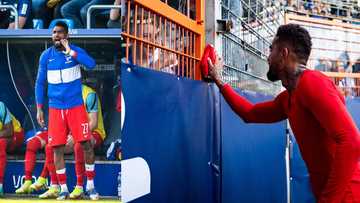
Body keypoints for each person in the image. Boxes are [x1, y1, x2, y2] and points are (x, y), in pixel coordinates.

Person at [207, 24, 360, 202]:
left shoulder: (313, 83)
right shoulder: (289, 98)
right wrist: (219, 80)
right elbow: (249, 113)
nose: (267, 56)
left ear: (284, 53)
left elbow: (351, 141)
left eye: (271, 50)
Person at [35, 21, 99, 200]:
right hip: (55, 109)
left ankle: (91, 186)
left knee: (86, 145)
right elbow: (40, 83)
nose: (56, 35)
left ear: (67, 35)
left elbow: (91, 64)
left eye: (60, 32)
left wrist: (70, 50)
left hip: (76, 107)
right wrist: (40, 108)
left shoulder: (75, 52)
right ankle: (63, 188)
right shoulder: (45, 56)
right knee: (56, 148)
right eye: (54, 32)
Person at [16, 84, 106, 200]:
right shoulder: (62, 95)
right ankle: (55, 186)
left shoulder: (89, 94)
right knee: (51, 146)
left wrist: (75, 135)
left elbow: (93, 123)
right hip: (72, 132)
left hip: (94, 132)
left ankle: (82, 187)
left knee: (79, 145)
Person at [0, 101, 24, 197]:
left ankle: (0, 185)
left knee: (0, 143)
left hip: (15, 134)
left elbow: (9, 131)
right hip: (3, 136)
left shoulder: (0, 105)